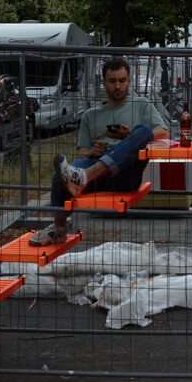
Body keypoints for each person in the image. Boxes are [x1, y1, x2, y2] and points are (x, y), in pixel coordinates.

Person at [30, 57, 170, 246]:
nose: (118, 86)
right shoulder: (90, 114)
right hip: (99, 169)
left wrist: (129, 137)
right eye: (112, 81)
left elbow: (164, 133)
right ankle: (59, 230)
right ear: (104, 82)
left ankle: (84, 177)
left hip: (127, 173)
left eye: (122, 80)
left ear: (129, 81)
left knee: (143, 130)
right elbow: (82, 154)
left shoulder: (141, 104)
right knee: (59, 177)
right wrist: (93, 150)